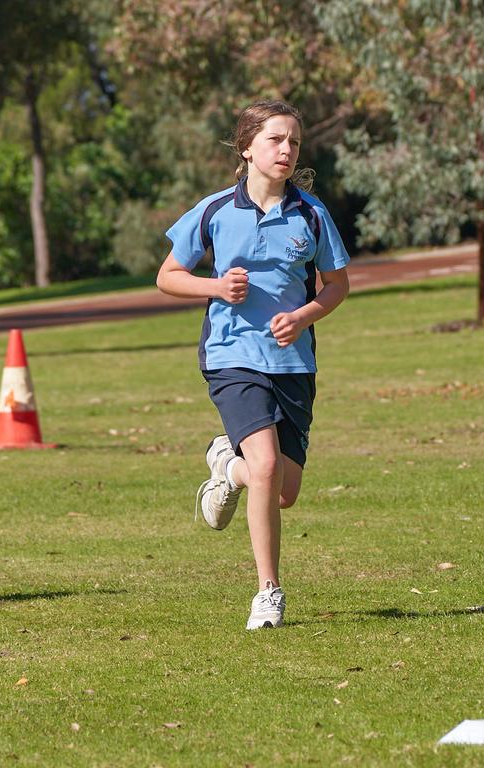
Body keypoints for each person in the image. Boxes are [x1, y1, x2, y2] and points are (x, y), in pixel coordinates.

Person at [155, 100, 351, 629]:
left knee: (282, 491)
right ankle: (269, 592)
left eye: (294, 142)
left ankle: (227, 464)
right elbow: (167, 276)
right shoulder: (216, 210)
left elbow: (337, 286)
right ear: (246, 148)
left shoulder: (311, 214)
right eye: (275, 139)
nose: (286, 150)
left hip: (293, 363)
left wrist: (304, 316)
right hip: (231, 355)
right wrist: (216, 286)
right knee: (265, 466)